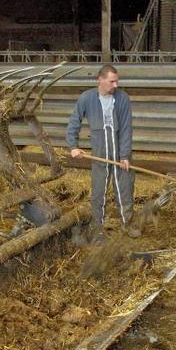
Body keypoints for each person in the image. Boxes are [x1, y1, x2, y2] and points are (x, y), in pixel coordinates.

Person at [66, 64, 139, 240]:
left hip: (120, 153)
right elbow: (74, 123)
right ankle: (97, 227)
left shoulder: (122, 98)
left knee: (125, 189)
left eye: (117, 81)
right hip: (99, 153)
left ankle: (127, 224)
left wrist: (124, 155)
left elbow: (126, 129)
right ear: (100, 79)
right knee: (99, 191)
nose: (116, 85)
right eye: (112, 81)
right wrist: (73, 146)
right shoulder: (87, 98)